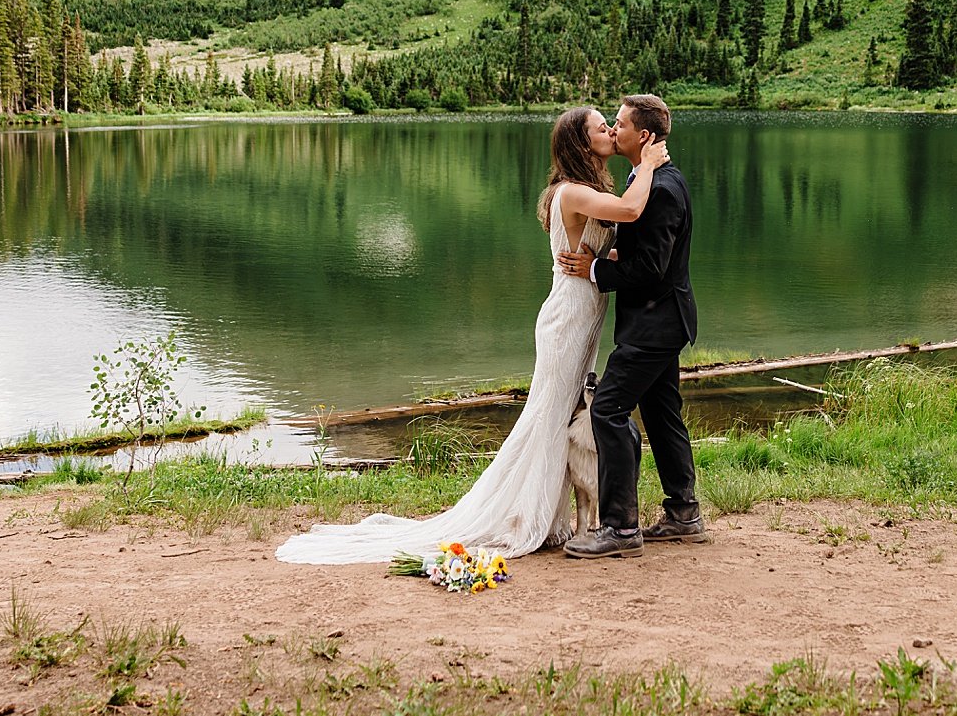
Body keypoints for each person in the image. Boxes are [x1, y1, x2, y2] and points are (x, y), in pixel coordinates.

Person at [275, 106, 669, 564]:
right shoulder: (573, 192)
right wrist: (647, 166)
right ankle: (524, 514)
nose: (609, 131)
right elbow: (630, 208)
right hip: (567, 318)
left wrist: (609, 260)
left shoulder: (584, 190)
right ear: (582, 144)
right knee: (547, 415)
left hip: (584, 313)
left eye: (610, 125)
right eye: (601, 128)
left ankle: (553, 513)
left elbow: (615, 228)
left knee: (560, 414)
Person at [555, 93, 707, 559]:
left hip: (654, 324)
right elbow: (645, 253)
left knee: (608, 410)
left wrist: (596, 270)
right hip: (662, 320)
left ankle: (620, 528)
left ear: (642, 135)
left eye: (618, 124)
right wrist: (614, 256)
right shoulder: (651, 179)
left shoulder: (659, 188)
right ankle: (684, 513)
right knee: (663, 415)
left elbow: (651, 271)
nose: (614, 130)